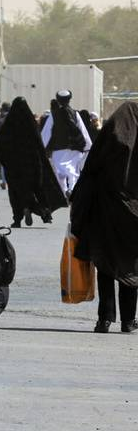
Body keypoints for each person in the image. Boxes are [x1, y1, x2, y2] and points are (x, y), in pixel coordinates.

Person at [70, 102, 138, 334]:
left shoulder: (109, 137)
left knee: (105, 264)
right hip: (133, 215)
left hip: (104, 210)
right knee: (130, 265)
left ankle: (105, 319)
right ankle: (129, 321)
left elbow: (90, 170)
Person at [0, 97, 67, 227]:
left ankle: (17, 219)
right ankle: (42, 210)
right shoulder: (31, 124)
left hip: (14, 166)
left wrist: (6, 160)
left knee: (15, 191)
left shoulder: (9, 124)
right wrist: (42, 160)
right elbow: (39, 144)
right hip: (32, 164)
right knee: (36, 188)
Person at [41, 90, 92, 196]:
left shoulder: (53, 115)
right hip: (75, 147)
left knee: (60, 173)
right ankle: (72, 189)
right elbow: (82, 130)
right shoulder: (75, 114)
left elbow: (47, 132)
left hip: (58, 149)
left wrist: (42, 146)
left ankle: (64, 192)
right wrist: (87, 145)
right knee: (73, 170)